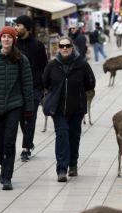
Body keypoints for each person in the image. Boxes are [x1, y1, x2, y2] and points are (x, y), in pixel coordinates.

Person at [0, 26, 34, 190]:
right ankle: (4, 166)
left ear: (13, 40)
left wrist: (28, 108)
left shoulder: (21, 59)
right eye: (4, 37)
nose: (6, 40)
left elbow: (27, 85)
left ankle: (7, 176)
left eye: (9, 37)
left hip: (14, 106)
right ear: (0, 39)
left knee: (9, 142)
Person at [42, 37, 96, 182]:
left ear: (72, 47)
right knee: (62, 136)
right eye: (62, 46)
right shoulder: (52, 65)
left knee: (74, 136)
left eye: (67, 46)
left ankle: (73, 164)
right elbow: (45, 82)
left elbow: (90, 82)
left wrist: (78, 92)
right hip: (58, 109)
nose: (65, 48)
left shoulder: (81, 64)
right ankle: (61, 169)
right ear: (58, 48)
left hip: (77, 108)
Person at [15, 15, 48, 162]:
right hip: (16, 88)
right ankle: (29, 143)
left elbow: (44, 67)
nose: (16, 27)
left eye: (19, 25)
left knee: (30, 118)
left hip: (34, 89)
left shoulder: (38, 46)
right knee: (22, 119)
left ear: (27, 28)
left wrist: (43, 88)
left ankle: (26, 148)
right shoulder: (13, 44)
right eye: (16, 25)